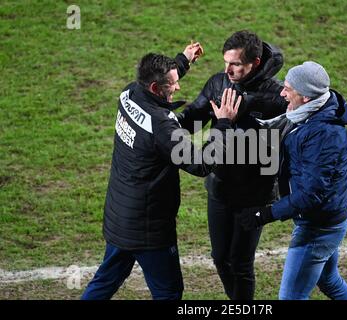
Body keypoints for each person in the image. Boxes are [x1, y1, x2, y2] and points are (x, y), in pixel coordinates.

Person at [81, 44, 242, 300]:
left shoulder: (129, 93)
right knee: (168, 292)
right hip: (148, 229)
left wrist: (184, 60)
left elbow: (162, 80)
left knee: (105, 282)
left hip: (120, 217)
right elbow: (200, 164)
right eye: (172, 84)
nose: (177, 87)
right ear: (156, 88)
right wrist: (223, 123)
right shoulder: (161, 128)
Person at [176, 30, 287, 300]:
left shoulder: (278, 95)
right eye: (226, 62)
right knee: (219, 258)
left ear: (255, 63)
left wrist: (247, 106)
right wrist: (167, 120)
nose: (228, 70)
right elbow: (193, 118)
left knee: (240, 262)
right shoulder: (218, 84)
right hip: (220, 188)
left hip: (255, 194)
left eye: (235, 64)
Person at [238, 61, 347, 300]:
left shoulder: (323, 134)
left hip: (318, 227)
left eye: (288, 89)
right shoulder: (313, 112)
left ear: (304, 96)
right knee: (329, 280)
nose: (282, 93)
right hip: (328, 218)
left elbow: (311, 193)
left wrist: (266, 213)